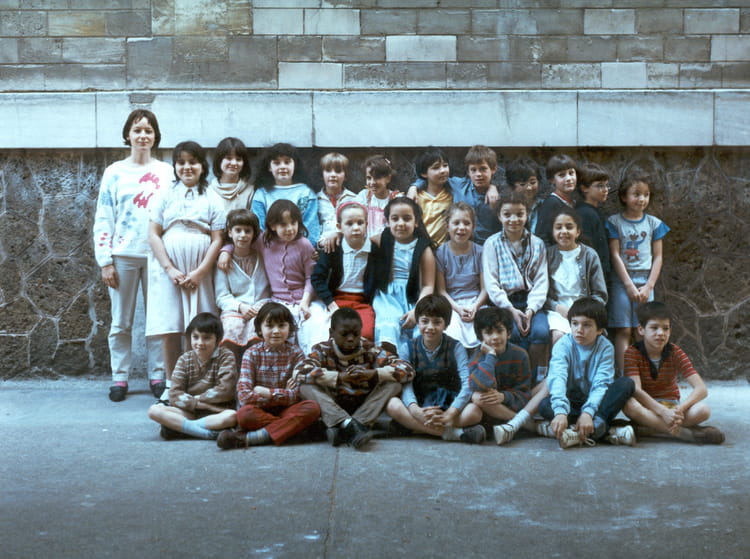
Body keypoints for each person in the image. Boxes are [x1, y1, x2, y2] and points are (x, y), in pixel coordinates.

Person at [93, 109, 173, 402]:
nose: (142, 136)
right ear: (128, 134)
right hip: (123, 255)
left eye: (148, 130)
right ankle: (120, 377)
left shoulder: (166, 171)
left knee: (158, 318)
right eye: (137, 130)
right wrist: (105, 261)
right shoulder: (114, 172)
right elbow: (104, 216)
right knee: (120, 321)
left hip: (157, 256)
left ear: (155, 136)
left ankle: (158, 374)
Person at [146, 141, 225, 401]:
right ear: (175, 166)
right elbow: (153, 234)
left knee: (200, 324)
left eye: (193, 162)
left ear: (202, 166)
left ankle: (198, 384)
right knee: (171, 324)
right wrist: (170, 269)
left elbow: (217, 238)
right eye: (181, 163)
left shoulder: (212, 196)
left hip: (199, 268)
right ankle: (172, 384)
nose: (187, 167)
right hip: (171, 268)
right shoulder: (165, 194)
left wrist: (201, 271)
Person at [295, 307, 415, 450]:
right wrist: (338, 377)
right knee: (305, 387)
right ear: (331, 333)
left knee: (393, 384)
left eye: (356, 334)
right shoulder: (322, 349)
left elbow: (408, 369)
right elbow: (299, 371)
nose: (351, 339)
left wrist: (374, 374)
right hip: (334, 403)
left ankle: (345, 426)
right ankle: (349, 424)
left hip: (364, 405)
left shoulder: (369, 349)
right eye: (344, 334)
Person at [216, 302, 321, 449]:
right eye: (269, 326)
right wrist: (283, 394)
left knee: (312, 407)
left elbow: (297, 395)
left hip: (287, 411)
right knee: (244, 414)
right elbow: (244, 396)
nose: (276, 331)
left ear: (290, 328)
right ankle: (290, 429)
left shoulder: (296, 354)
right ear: (260, 329)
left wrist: (267, 393)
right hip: (261, 412)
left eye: (282, 326)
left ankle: (251, 438)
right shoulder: (251, 354)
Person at [537, 297, 636, 449]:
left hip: (597, 402)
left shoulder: (605, 347)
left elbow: (601, 384)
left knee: (626, 383)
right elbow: (558, 378)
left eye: (587, 325)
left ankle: (581, 429)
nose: (579, 330)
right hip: (572, 403)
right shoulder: (563, 344)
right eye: (575, 323)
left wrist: (588, 413)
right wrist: (561, 412)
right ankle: (601, 430)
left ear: (599, 330)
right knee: (545, 405)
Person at [385, 295, 485, 443]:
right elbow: (406, 384)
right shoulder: (407, 348)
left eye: (437, 322)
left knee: (474, 412)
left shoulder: (456, 347)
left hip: (448, 405)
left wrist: (451, 413)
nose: (430, 327)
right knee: (392, 405)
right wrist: (416, 411)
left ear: (446, 325)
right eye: (425, 321)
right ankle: (453, 433)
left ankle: (415, 427)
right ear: (418, 322)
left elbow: (467, 384)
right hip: (420, 406)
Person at [622, 302, 724, 444]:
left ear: (670, 330)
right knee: (629, 405)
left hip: (672, 408)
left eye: (665, 328)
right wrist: (662, 412)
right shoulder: (632, 353)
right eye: (654, 328)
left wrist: (680, 409)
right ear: (641, 329)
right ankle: (682, 433)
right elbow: (637, 391)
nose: (660, 333)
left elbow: (701, 389)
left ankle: (650, 428)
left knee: (703, 410)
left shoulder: (675, 352)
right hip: (647, 407)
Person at [606, 168, 670, 373]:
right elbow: (615, 254)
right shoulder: (614, 222)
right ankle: (626, 374)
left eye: (646, 194)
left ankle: (645, 374)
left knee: (643, 330)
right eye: (636, 194)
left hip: (645, 279)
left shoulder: (654, 224)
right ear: (624, 197)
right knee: (624, 329)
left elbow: (658, 256)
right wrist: (628, 285)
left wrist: (649, 286)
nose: (642, 199)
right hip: (621, 281)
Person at [482, 192, 549, 379]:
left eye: (520, 214)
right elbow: (492, 283)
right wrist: (510, 310)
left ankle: (531, 378)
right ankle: (514, 379)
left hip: (530, 301)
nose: (514, 220)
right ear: (499, 216)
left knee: (541, 333)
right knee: (514, 334)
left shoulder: (537, 244)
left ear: (527, 215)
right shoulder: (492, 244)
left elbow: (541, 281)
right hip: (504, 302)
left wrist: (530, 310)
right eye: (507, 214)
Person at [147, 313, 237, 440]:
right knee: (154, 410)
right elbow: (174, 394)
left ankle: (183, 428)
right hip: (189, 411)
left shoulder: (226, 356)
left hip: (216, 411)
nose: (200, 343)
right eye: (195, 337)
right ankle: (206, 433)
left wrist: (196, 400)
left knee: (232, 416)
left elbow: (225, 390)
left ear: (218, 339)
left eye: (207, 338)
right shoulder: (184, 359)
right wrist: (198, 404)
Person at [257, 199, 328, 353]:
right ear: (272, 225)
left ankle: (312, 362)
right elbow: (241, 244)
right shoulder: (264, 241)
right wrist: (226, 251)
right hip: (278, 301)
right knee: (278, 327)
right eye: (283, 225)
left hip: (305, 299)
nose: (290, 229)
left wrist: (305, 301)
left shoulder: (304, 245)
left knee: (315, 325)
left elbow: (311, 277)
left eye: (293, 223)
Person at [371, 196, 436, 358]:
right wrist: (336, 235)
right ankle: (387, 361)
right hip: (387, 296)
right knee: (389, 324)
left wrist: (417, 310)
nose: (400, 223)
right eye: (395, 219)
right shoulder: (382, 239)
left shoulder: (423, 248)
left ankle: (409, 364)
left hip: (414, 296)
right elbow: (356, 241)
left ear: (416, 222)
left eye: (406, 219)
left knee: (418, 328)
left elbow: (428, 285)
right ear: (387, 222)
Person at [409, 145, 501, 244]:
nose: (478, 174)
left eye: (483, 169)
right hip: (462, 244)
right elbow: (432, 179)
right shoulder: (459, 185)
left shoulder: (498, 196)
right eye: (473, 170)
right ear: (468, 172)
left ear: (493, 169)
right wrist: (413, 187)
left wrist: (492, 187)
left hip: (487, 245)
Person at [311, 201, 376, 340]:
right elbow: (317, 278)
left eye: (360, 223)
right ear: (339, 227)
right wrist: (330, 304)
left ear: (367, 224)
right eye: (349, 224)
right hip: (336, 299)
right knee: (332, 334)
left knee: (365, 335)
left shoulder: (374, 250)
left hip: (362, 302)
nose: (356, 228)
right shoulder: (334, 248)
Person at [214, 209, 270, 367]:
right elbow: (221, 296)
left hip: (261, 305)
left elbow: (270, 288)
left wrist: (260, 305)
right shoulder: (224, 261)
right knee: (231, 326)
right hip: (235, 308)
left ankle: (255, 371)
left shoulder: (262, 256)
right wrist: (240, 306)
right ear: (230, 232)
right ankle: (232, 371)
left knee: (258, 326)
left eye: (247, 231)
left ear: (254, 234)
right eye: (238, 230)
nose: (243, 235)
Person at [545, 208, 607, 345]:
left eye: (569, 227)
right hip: (557, 311)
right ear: (553, 232)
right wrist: (557, 307)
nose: (564, 231)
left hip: (585, 311)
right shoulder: (547, 255)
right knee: (559, 337)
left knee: (584, 336)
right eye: (558, 227)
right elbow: (542, 292)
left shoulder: (589, 255)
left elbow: (600, 294)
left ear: (578, 231)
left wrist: (585, 311)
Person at [467, 307, 532, 435]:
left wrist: (503, 396)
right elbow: (480, 385)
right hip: (490, 410)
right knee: (477, 397)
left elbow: (525, 393)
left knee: (547, 383)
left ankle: (514, 423)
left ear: (508, 333)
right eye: (489, 333)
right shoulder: (477, 357)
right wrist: (491, 356)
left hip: (511, 404)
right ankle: (522, 423)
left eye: (499, 331)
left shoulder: (520, 355)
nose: (495, 337)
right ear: (480, 337)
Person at [434, 202, 488, 349]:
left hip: (476, 303)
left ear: (473, 227)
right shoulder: (440, 253)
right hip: (451, 305)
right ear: (447, 226)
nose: (461, 228)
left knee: (486, 330)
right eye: (456, 223)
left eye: (467, 223)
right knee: (452, 333)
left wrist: (475, 307)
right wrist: (458, 309)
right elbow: (441, 291)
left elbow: (485, 289)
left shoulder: (480, 252)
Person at [251, 142, 320, 246]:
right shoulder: (261, 194)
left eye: (287, 162)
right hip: (271, 248)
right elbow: (260, 227)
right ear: (269, 167)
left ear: (295, 165)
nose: (282, 166)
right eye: (277, 163)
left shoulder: (306, 193)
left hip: (301, 249)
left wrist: (301, 247)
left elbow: (311, 227)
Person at [407, 147, 454, 246]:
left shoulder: (452, 193)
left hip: (444, 249)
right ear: (424, 173)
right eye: (436, 168)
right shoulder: (416, 197)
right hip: (421, 248)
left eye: (445, 165)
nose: (442, 171)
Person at [575, 162, 612, 283]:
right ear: (584, 188)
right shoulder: (585, 213)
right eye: (600, 186)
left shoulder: (594, 211)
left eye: (606, 185)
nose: (605, 190)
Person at [317, 152, 357, 253]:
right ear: (322, 175)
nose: (333, 175)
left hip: (347, 248)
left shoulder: (354, 199)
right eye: (328, 171)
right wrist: (320, 243)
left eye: (338, 171)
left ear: (345, 176)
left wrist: (340, 234)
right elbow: (312, 228)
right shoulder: (315, 200)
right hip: (323, 249)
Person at [534, 153, 577, 246]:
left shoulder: (574, 203)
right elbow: (542, 238)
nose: (568, 178)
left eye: (571, 173)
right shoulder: (551, 203)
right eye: (562, 175)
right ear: (552, 180)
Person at [355, 154, 400, 238]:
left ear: (388, 178)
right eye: (369, 178)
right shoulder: (364, 196)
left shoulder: (396, 199)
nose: (372, 182)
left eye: (377, 178)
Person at [209, 136, 254, 213]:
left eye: (238, 159)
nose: (234, 163)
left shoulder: (251, 192)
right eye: (228, 158)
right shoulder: (208, 191)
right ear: (219, 160)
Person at [506, 156, 543, 234]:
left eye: (533, 182)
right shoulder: (506, 207)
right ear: (512, 186)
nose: (529, 188)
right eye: (522, 184)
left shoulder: (545, 205)